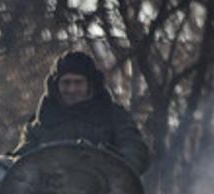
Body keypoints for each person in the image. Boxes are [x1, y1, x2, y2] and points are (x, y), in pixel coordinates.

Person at [11, 50, 151, 175]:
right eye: (66, 83)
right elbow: (20, 160)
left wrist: (113, 164)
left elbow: (134, 149)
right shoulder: (40, 121)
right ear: (55, 85)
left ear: (90, 84)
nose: (72, 89)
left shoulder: (114, 116)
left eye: (78, 83)